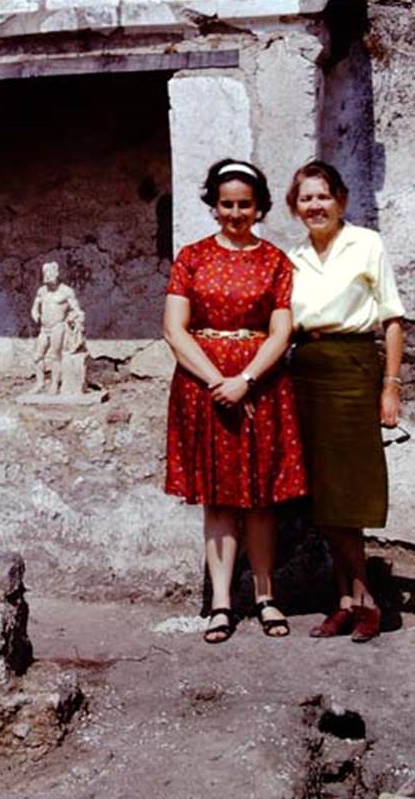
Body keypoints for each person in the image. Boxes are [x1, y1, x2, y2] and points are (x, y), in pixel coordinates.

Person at [164, 159, 308, 644]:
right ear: (213, 205)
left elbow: (281, 329)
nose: (235, 213)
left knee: (262, 499)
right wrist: (216, 381)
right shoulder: (192, 258)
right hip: (203, 389)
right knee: (219, 498)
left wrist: (244, 379)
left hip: (261, 386)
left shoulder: (275, 262)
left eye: (244, 204)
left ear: (260, 207)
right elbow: (174, 328)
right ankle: (222, 602)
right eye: (226, 204)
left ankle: (266, 597)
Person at [286, 160, 405, 642]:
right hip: (307, 368)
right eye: (305, 198)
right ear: (295, 208)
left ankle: (366, 601)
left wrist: (391, 384)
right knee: (323, 493)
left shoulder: (367, 244)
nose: (315, 205)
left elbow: (393, 319)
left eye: (323, 196)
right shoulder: (291, 259)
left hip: (354, 367)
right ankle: (346, 600)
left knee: (350, 491)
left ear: (342, 201)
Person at [31, 261, 85, 394]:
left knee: (56, 356)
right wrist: (35, 313)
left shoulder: (66, 291)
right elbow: (35, 306)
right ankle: (40, 383)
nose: (47, 276)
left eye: (50, 273)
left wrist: (76, 317)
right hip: (44, 328)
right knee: (37, 356)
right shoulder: (42, 291)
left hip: (58, 326)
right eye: (45, 274)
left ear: (56, 274)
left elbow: (76, 309)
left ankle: (54, 384)